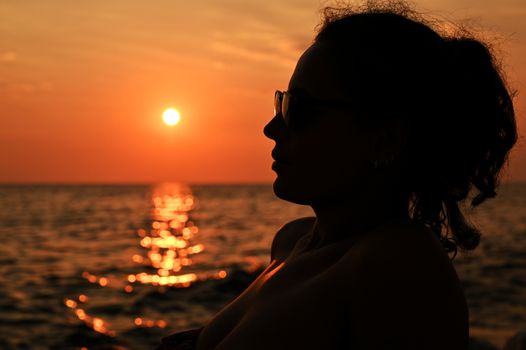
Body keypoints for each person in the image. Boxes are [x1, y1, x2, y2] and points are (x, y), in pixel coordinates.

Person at [156, 1, 517, 349]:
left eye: (300, 108)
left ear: (385, 139)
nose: (271, 128)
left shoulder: (398, 267)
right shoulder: (292, 241)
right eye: (282, 102)